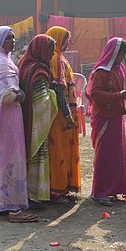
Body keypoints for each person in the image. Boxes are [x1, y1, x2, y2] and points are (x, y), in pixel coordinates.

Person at [0, 27, 36, 222]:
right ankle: (14, 209)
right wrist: (22, 94)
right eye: (8, 38)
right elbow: (8, 95)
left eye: (13, 37)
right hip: (9, 118)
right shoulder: (3, 64)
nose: (13, 41)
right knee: (10, 157)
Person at [87, 37, 126, 207]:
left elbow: (119, 91)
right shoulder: (101, 72)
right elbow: (95, 94)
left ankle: (113, 188)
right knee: (104, 155)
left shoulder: (118, 69)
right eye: (121, 54)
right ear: (114, 53)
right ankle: (99, 191)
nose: (123, 57)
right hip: (104, 117)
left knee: (116, 154)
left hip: (116, 116)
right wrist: (120, 96)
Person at [18, 34, 57, 204]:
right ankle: (33, 194)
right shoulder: (40, 71)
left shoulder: (24, 65)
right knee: (36, 156)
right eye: (50, 50)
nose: (53, 54)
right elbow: (42, 102)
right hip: (35, 123)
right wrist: (54, 94)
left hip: (24, 119)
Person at [46, 26, 81, 200]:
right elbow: (59, 89)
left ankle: (61, 186)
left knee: (61, 149)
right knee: (58, 150)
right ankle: (56, 189)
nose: (67, 44)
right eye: (65, 41)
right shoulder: (56, 59)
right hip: (61, 114)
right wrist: (67, 115)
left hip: (65, 110)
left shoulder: (59, 57)